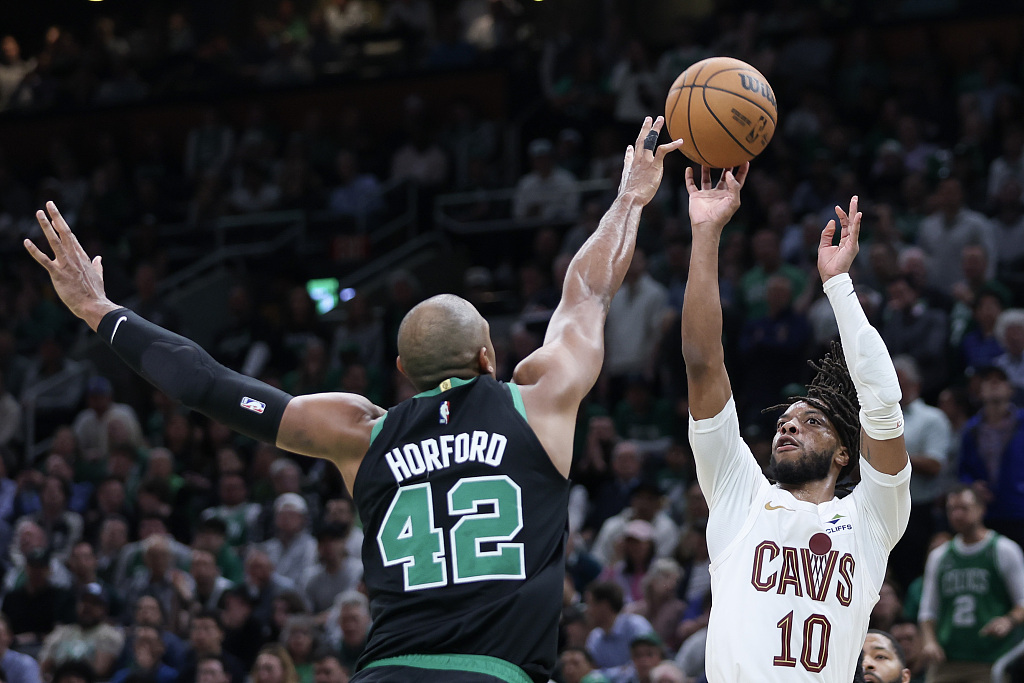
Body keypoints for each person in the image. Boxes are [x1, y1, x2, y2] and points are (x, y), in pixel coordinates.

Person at [25, 117, 683, 683]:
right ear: (488, 356)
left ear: (400, 370)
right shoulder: (539, 402)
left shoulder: (359, 432)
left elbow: (208, 386)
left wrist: (98, 309)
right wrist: (630, 198)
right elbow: (586, 293)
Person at [680, 176, 911, 682]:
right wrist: (705, 233)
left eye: (811, 422)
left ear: (844, 453)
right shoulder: (739, 493)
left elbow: (882, 403)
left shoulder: (871, 521)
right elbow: (703, 364)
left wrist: (837, 286)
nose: (788, 428)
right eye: (783, 422)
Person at [918, 485, 1024, 683]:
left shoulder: (1003, 549)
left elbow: (1022, 602)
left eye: (964, 508)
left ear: (981, 509)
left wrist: (1008, 621)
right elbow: (928, 612)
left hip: (991, 660)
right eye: (952, 509)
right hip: (947, 660)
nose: (957, 515)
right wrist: (930, 642)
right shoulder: (939, 556)